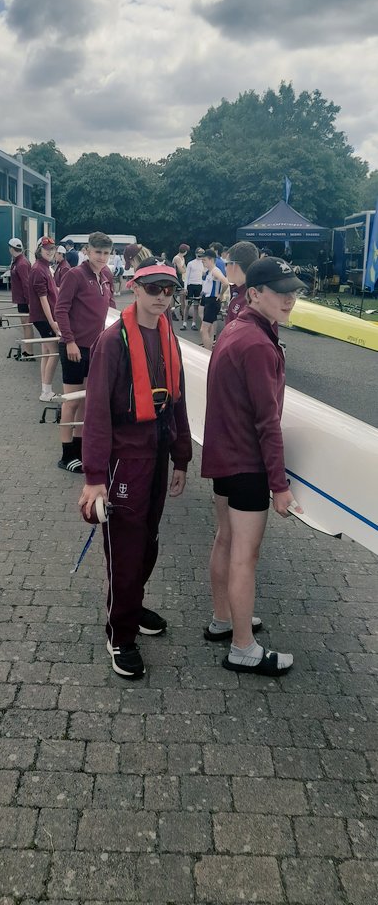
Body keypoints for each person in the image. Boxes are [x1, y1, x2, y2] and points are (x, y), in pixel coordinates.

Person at [79, 257, 192, 679]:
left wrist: (181, 456)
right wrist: (93, 478)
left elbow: (178, 401)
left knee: (148, 540)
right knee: (124, 548)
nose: (162, 297)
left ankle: (132, 603)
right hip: (124, 457)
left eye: (169, 290)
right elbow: (95, 414)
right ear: (133, 287)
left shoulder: (170, 337)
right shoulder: (112, 342)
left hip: (158, 451)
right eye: (154, 288)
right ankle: (120, 634)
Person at [201, 257, 305, 676]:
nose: (290, 299)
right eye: (281, 292)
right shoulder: (258, 344)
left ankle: (224, 619)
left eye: (293, 291)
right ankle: (243, 647)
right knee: (246, 553)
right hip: (246, 461)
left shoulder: (238, 328)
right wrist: (279, 486)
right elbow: (267, 423)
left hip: (224, 455)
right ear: (255, 293)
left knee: (225, 540)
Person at [55, 231, 115, 474]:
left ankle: (81, 451)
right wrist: (69, 341)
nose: (101, 257)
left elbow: (108, 311)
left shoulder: (106, 276)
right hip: (74, 347)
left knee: (88, 402)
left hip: (95, 347)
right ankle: (66, 454)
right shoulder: (75, 275)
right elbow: (61, 310)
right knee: (72, 401)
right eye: (97, 252)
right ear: (87, 251)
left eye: (106, 253)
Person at [28, 236, 60, 401]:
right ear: (40, 249)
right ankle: (46, 392)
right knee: (54, 352)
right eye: (47, 249)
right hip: (43, 318)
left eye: (52, 249)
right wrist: (52, 322)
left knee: (46, 352)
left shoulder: (44, 267)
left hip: (43, 317)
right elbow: (43, 299)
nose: (50, 251)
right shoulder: (38, 269)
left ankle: (45, 389)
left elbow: (51, 293)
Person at [8, 237, 35, 360]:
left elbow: (26, 284)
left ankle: (29, 352)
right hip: (21, 299)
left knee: (27, 324)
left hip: (24, 300)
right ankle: (26, 350)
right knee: (25, 325)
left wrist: (29, 302)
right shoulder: (18, 261)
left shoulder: (22, 263)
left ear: (11, 249)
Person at [224, 241, 259, 326]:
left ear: (234, 265)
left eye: (226, 264)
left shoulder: (250, 299)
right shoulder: (249, 292)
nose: (225, 268)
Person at [199, 249, 228, 350]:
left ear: (211, 259)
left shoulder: (215, 271)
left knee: (204, 330)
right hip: (208, 299)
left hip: (212, 301)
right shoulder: (209, 271)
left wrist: (221, 294)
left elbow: (225, 282)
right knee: (209, 328)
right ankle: (209, 348)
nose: (203, 262)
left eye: (205, 260)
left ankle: (206, 352)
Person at [182, 247, 205, 330]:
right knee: (188, 305)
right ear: (196, 253)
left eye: (202, 253)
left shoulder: (204, 264)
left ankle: (193, 323)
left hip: (199, 285)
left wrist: (203, 289)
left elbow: (204, 278)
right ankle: (184, 323)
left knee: (196, 306)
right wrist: (185, 288)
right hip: (191, 285)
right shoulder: (191, 263)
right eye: (199, 253)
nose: (200, 255)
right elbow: (186, 276)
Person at [172, 243, 189, 320]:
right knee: (174, 296)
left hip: (181, 278)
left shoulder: (182, 258)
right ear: (185, 251)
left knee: (182, 296)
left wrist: (185, 270)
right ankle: (172, 312)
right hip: (176, 278)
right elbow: (180, 270)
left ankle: (183, 312)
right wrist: (186, 271)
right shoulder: (177, 258)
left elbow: (184, 268)